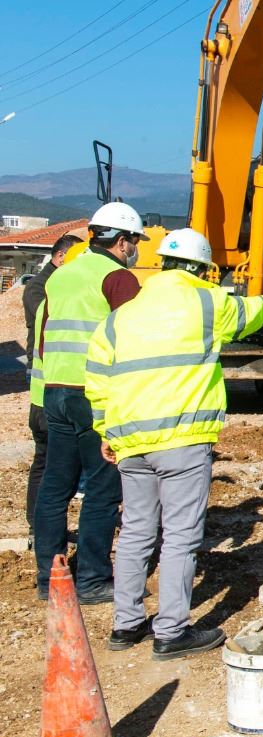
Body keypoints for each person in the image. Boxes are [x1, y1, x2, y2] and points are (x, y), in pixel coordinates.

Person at [85, 228, 263, 659]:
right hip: (182, 439)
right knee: (179, 536)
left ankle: (126, 624)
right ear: (201, 267)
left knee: (136, 531)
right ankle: (171, 631)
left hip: (130, 440)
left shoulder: (121, 316)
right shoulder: (207, 301)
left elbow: (97, 379)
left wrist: (104, 430)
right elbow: (249, 312)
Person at [31, 203, 146, 603]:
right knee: (102, 487)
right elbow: (134, 341)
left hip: (55, 390)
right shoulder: (118, 278)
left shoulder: (62, 275)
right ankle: (93, 580)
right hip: (94, 395)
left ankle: (49, 578)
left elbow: (44, 335)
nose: (135, 249)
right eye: (134, 241)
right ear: (122, 241)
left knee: (55, 486)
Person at [23, 233, 83, 545]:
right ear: (60, 257)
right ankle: (38, 526)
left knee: (51, 462)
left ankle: (42, 526)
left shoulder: (54, 286)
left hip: (49, 387)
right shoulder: (40, 288)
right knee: (47, 462)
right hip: (45, 387)